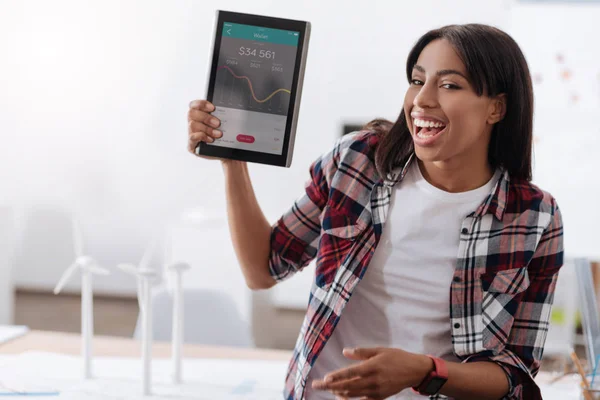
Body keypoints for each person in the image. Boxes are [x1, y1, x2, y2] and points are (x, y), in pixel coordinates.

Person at [187, 23, 564, 400]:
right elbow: (263, 268)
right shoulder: (358, 161)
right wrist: (231, 161)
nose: (422, 100)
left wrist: (425, 371)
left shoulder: (534, 217)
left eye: (449, 85)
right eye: (417, 80)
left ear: (496, 108)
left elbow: (516, 375)